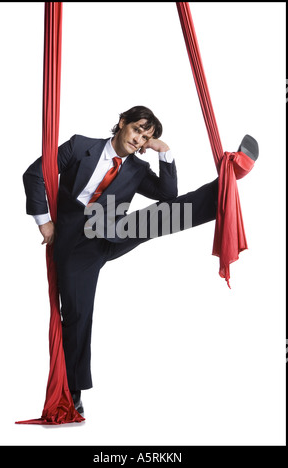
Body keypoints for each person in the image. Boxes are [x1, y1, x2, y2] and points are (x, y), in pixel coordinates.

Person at [23, 105, 220, 414]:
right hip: (76, 244)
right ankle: (73, 389)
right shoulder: (80, 146)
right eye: (138, 130)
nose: (140, 139)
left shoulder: (136, 168)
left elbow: (168, 194)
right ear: (122, 122)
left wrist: (163, 152)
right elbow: (34, 174)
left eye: (146, 137)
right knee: (77, 314)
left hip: (114, 230)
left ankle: (222, 191)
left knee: (165, 214)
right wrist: (44, 221)